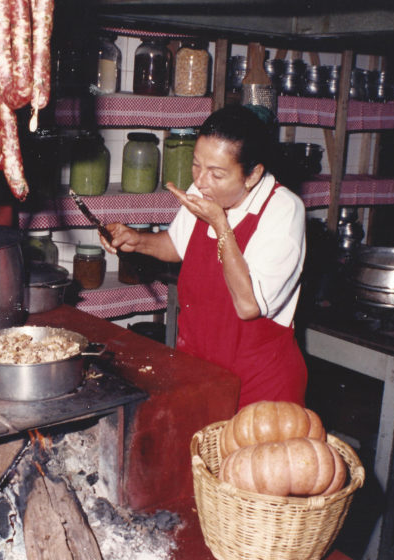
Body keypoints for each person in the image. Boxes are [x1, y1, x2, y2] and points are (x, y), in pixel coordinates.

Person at [101, 105, 307, 409]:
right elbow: (177, 244)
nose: (200, 181)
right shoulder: (206, 189)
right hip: (200, 373)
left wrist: (220, 224)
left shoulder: (283, 210)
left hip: (259, 389)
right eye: (197, 165)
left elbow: (249, 305)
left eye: (217, 174)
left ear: (253, 175)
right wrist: (137, 241)